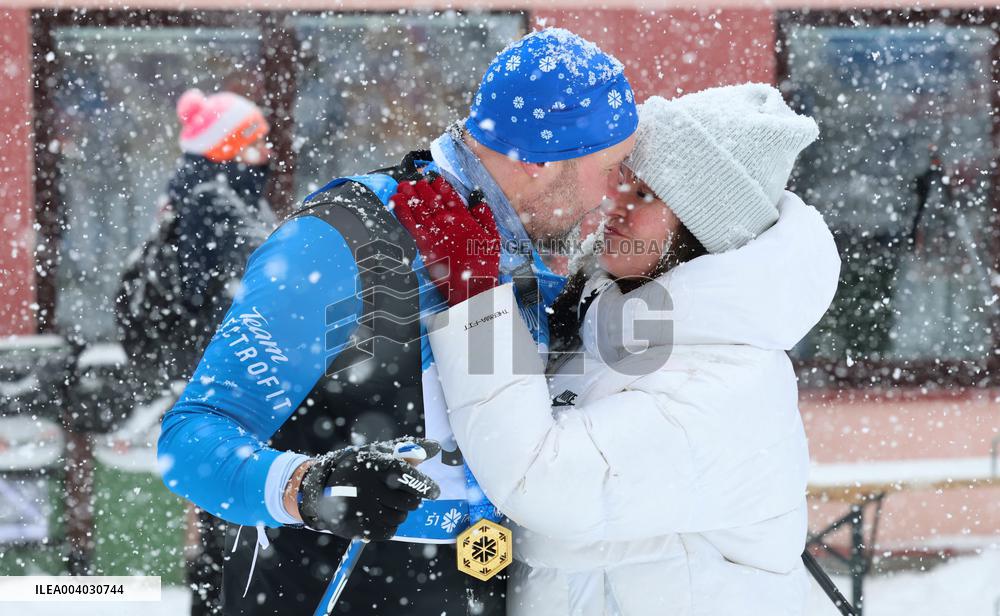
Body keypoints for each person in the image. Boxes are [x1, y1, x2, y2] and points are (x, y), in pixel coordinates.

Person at [156, 28, 638, 615]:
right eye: (610, 167)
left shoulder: (528, 259)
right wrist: (305, 487)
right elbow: (191, 436)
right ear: (540, 156)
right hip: (325, 592)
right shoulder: (342, 239)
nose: (614, 194)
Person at [397, 84, 841, 615]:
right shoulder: (609, 336)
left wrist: (477, 299)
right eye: (621, 180)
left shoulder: (725, 387)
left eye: (647, 195)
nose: (615, 205)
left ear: (705, 232)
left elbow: (540, 480)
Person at [116, 88, 277, 616]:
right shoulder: (217, 203)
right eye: (256, 143)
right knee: (231, 521)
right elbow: (245, 298)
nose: (267, 155)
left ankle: (214, 597)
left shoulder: (193, 194)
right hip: (231, 386)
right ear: (230, 148)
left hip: (202, 383)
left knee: (217, 510)